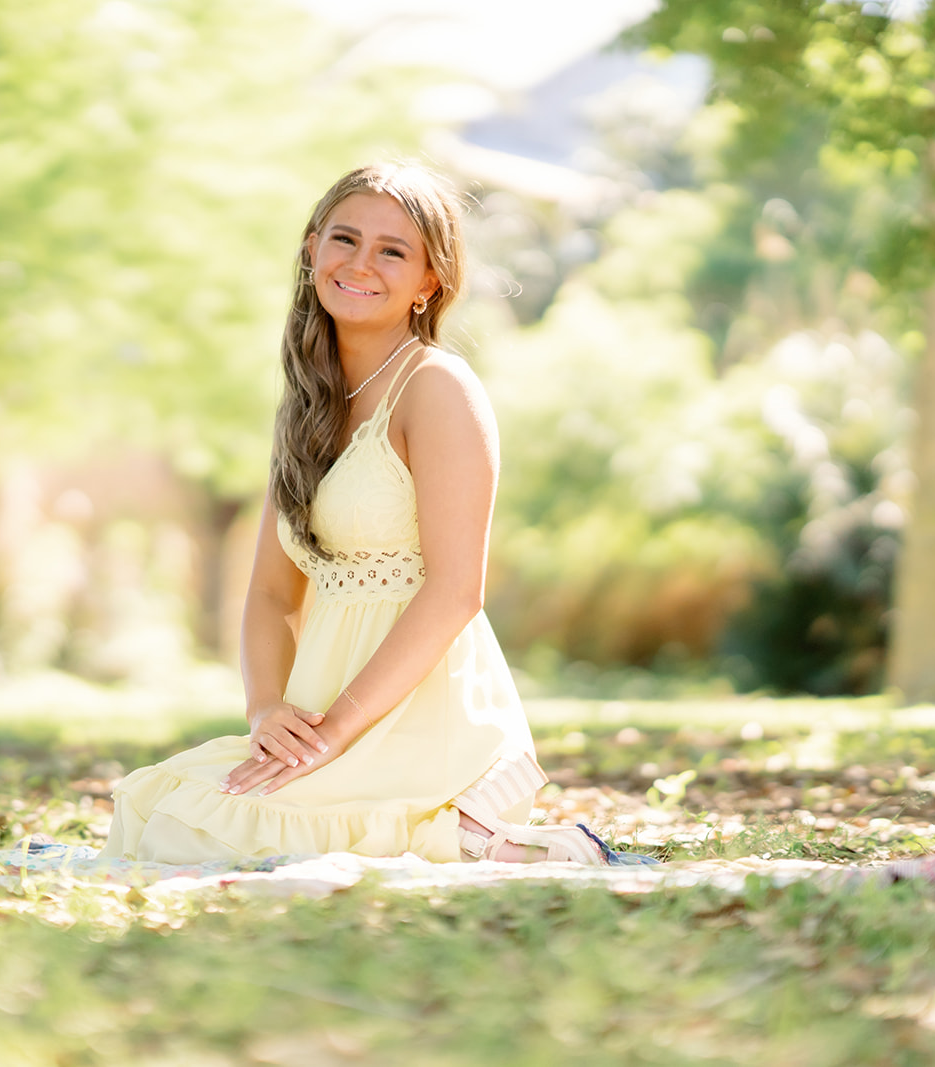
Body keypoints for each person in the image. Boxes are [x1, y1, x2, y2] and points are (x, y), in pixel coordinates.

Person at [99, 162, 609, 866]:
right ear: (312, 249)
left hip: (425, 717)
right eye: (345, 239)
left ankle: (484, 834)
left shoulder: (437, 388)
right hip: (320, 707)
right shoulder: (309, 401)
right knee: (160, 806)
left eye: (393, 250)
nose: (360, 263)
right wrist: (268, 713)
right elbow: (275, 593)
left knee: (213, 835)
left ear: (430, 280)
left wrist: (336, 732)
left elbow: (456, 591)